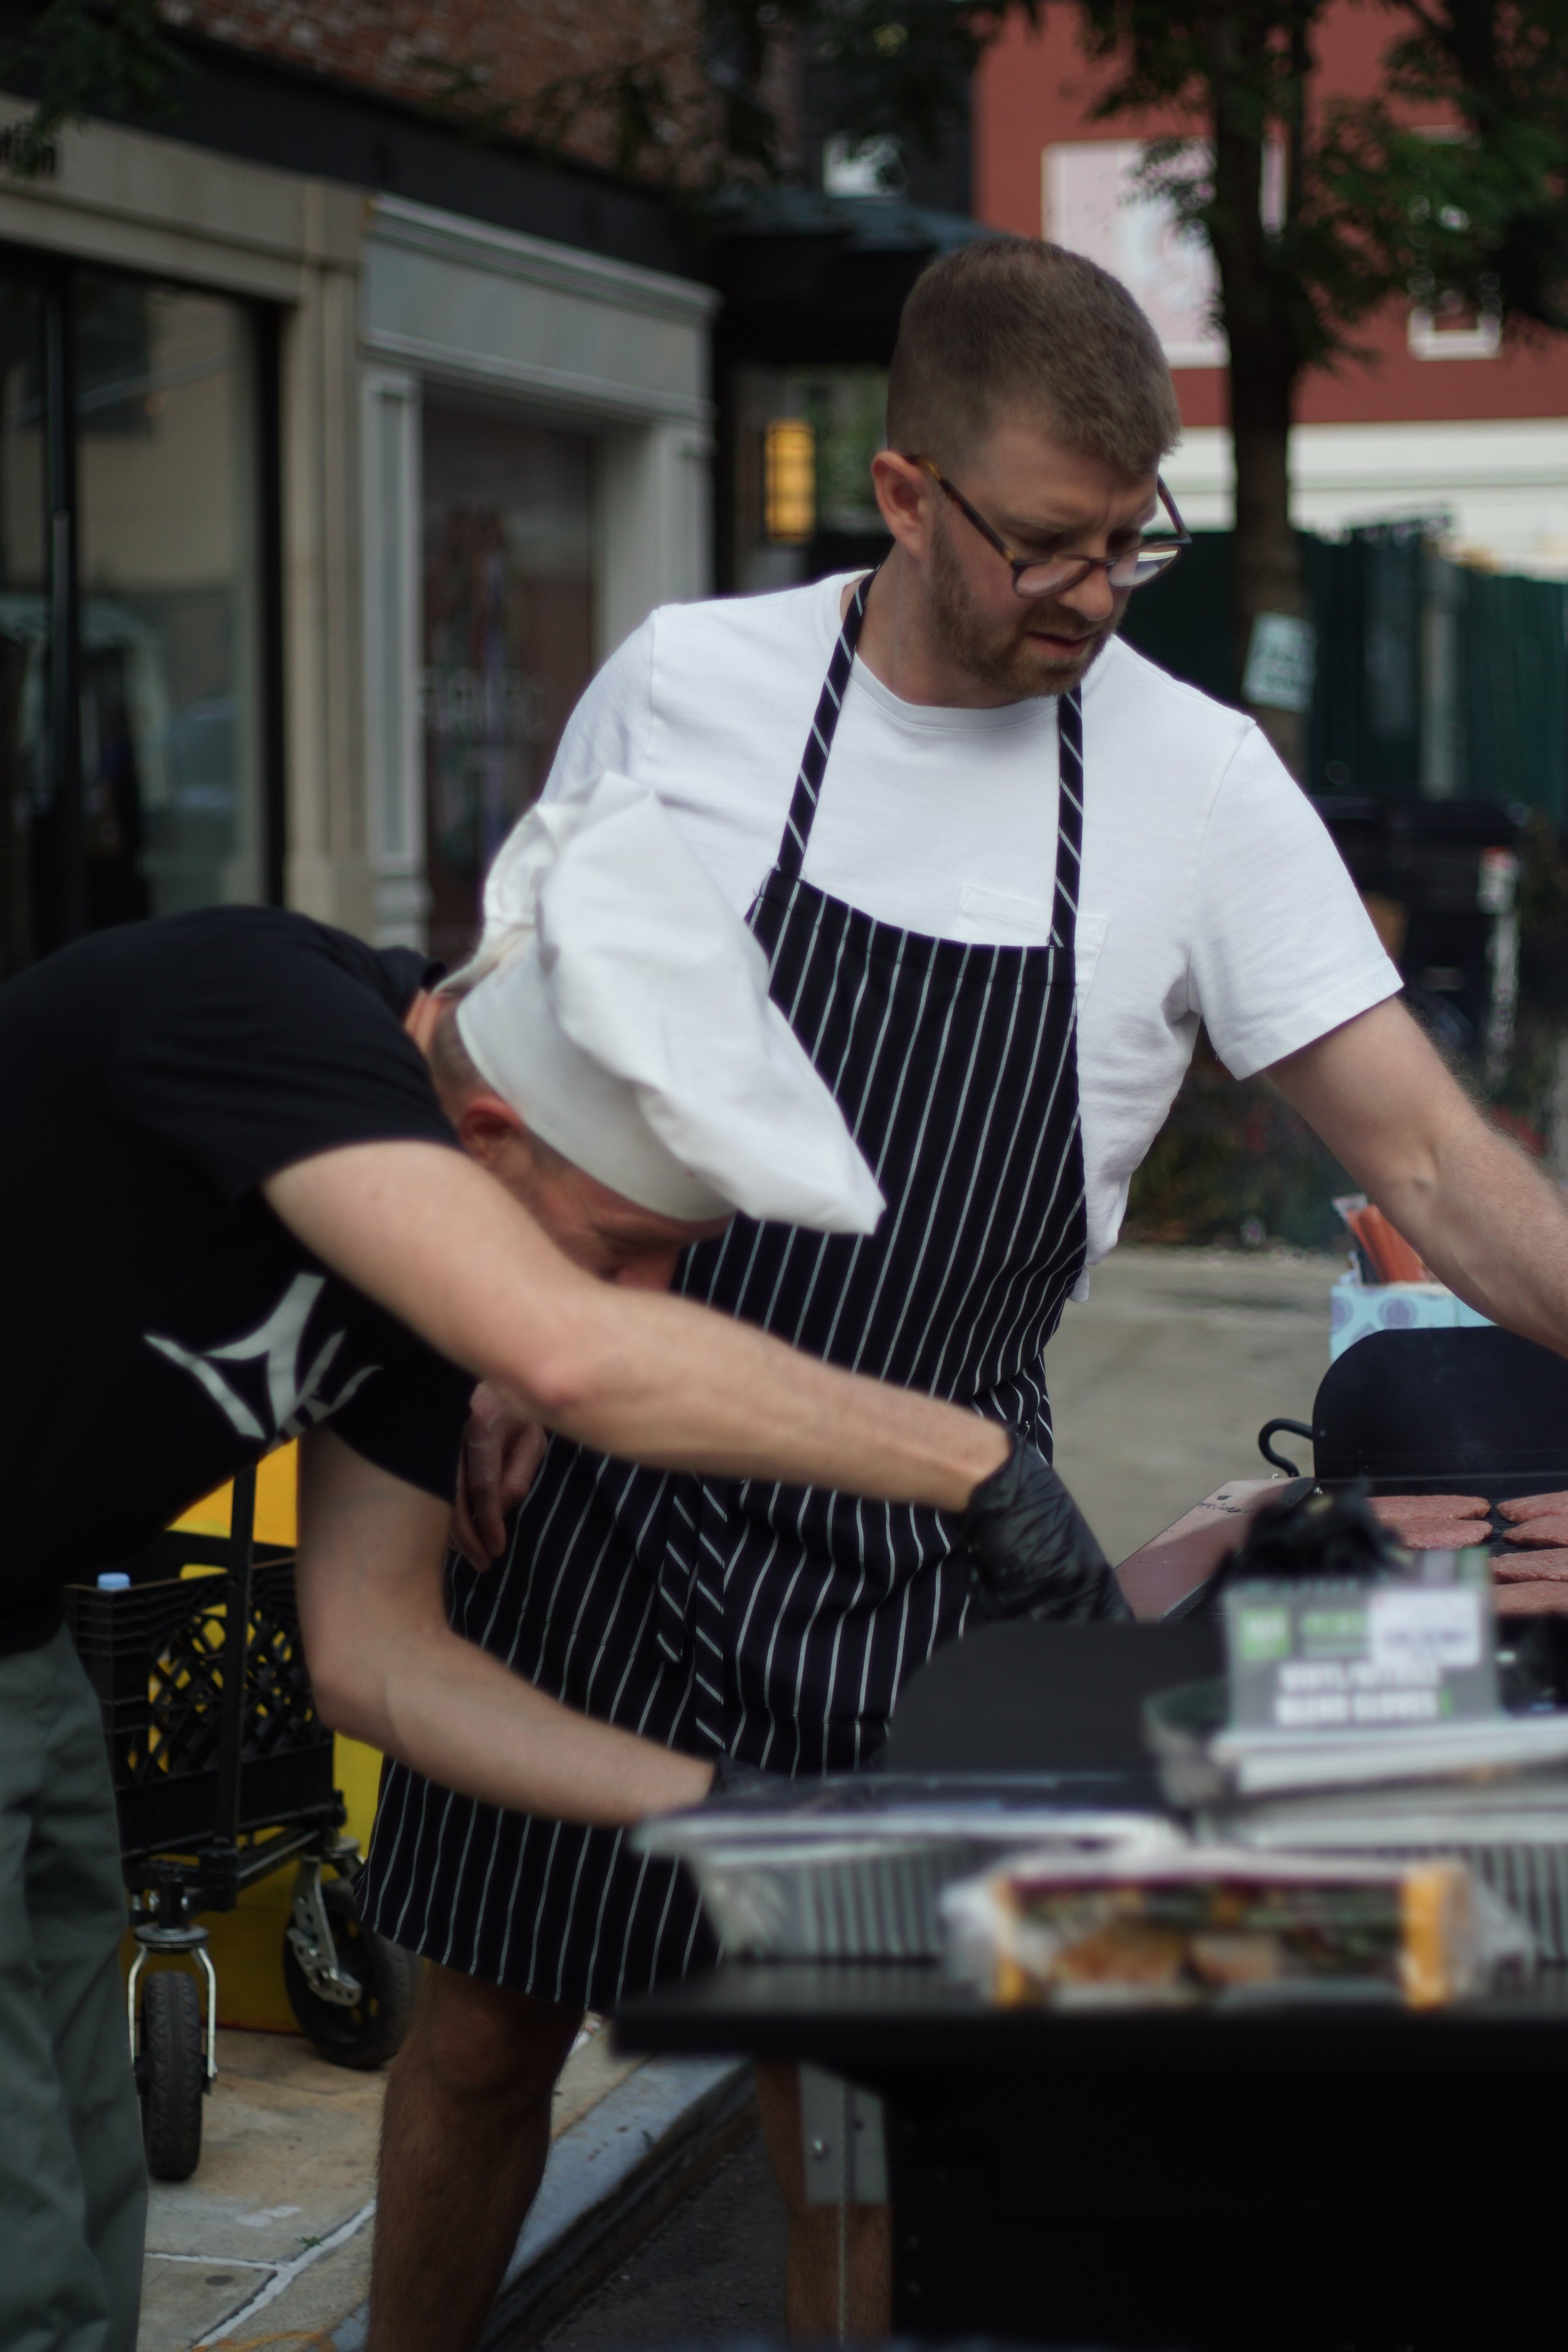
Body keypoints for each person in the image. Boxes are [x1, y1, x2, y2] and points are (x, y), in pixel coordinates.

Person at [363, 233, 1568, 2348]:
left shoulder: (1195, 783)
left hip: (932, 1530)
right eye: (1042, 543)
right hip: (606, 1478)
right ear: (905, 491)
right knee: (478, 2044)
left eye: (1133, 542)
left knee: (852, 2115)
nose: (1092, 595)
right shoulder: (688, 681)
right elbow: (523, 1037)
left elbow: (1432, 1157)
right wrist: (502, 1322)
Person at [0, 767, 1116, 2352]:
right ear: (487, 1130)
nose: (647, 1296)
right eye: (618, 1250)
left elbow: (375, 1652)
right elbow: (577, 1359)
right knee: (22, 2273)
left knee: (87, 2204)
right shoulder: (251, 1008)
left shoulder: (402, 1273)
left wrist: (731, 1811)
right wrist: (978, 1467)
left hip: (26, 1653)